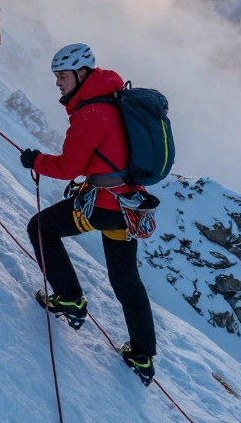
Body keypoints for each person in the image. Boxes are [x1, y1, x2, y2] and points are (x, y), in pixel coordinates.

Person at [18, 43, 158, 385]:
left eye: (62, 76)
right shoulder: (113, 97)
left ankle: (69, 299)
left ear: (82, 74)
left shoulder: (91, 113)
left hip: (105, 206)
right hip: (127, 207)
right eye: (56, 76)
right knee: (126, 281)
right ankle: (142, 354)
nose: (58, 83)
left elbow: (68, 166)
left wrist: (35, 161)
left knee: (41, 228)